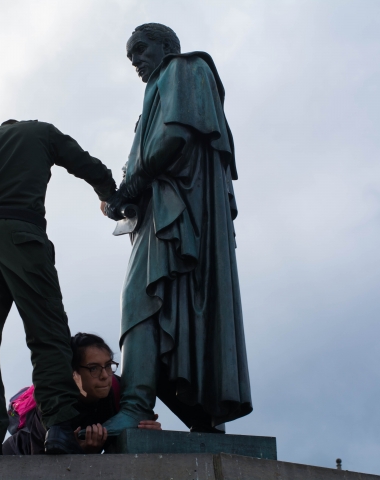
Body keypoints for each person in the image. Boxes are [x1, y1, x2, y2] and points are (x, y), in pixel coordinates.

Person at [0, 120, 117, 467]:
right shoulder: (42, 133)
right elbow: (84, 163)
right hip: (23, 236)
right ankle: (58, 427)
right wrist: (108, 191)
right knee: (47, 334)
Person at [99, 23, 252, 437]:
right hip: (162, 213)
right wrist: (125, 199)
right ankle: (201, 411)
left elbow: (174, 136)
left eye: (140, 49)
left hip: (181, 215)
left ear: (166, 46)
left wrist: (129, 187)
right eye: (130, 55)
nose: (134, 60)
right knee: (165, 305)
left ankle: (135, 406)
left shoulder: (184, 69)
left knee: (140, 299)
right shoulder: (157, 90)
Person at [3, 333, 161, 455]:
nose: (105, 375)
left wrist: (145, 434)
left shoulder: (118, 390)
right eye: (94, 368)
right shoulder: (52, 402)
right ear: (73, 373)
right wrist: (79, 451)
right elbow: (42, 465)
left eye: (108, 365)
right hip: (14, 460)